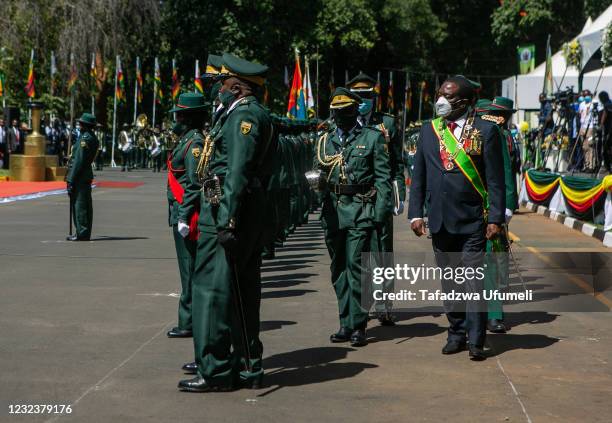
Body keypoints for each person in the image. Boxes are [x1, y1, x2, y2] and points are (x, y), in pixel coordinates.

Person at [179, 52, 275, 392]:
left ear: (237, 86)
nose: (217, 87)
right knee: (240, 291)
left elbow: (235, 172)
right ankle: (247, 365)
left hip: (225, 210)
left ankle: (216, 368)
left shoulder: (243, 118)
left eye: (221, 82)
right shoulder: (238, 114)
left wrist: (227, 220)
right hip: (234, 209)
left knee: (211, 290)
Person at [408, 76, 505, 361]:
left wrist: (496, 218)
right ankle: (456, 333)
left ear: (465, 101)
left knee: (473, 281)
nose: (442, 101)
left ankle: (476, 339)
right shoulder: (429, 130)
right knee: (450, 281)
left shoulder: (486, 130)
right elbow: (419, 175)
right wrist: (416, 213)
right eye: (440, 94)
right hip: (439, 219)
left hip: (473, 219)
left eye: (448, 97)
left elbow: (496, 180)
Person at [316, 87, 392, 347]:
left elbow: (383, 179)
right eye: (337, 112)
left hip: (360, 210)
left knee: (357, 267)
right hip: (333, 212)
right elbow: (319, 171)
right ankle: (345, 322)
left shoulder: (372, 138)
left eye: (346, 112)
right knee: (338, 268)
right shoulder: (325, 141)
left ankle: (359, 324)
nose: (340, 117)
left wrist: (380, 214)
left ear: (354, 111)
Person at [348, 72, 406, 326]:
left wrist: (398, 193)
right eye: (358, 97)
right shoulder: (345, 122)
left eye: (367, 97)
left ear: (374, 98)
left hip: (380, 192)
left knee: (383, 249)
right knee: (360, 251)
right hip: (355, 197)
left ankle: (384, 303)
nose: (363, 101)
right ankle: (363, 302)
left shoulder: (388, 124)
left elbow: (397, 161)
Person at [165, 92, 208, 340]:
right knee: (187, 270)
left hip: (187, 216)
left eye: (179, 115)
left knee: (189, 270)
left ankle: (189, 321)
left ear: (189, 118)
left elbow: (193, 185)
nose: (176, 119)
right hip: (180, 213)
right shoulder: (186, 140)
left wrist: (183, 215)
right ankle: (189, 319)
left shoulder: (194, 145)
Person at [479, 97, 519, 334]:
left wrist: (506, 207)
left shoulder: (499, 135)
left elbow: (506, 172)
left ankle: (494, 314)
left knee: (492, 262)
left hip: (490, 206)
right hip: (466, 208)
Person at [66, 113, 99, 241]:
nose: (79, 125)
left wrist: (71, 179)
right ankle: (81, 231)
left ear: (86, 125)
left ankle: (82, 232)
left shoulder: (86, 139)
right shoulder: (89, 137)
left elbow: (79, 161)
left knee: (80, 205)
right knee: (82, 204)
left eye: (81, 123)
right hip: (83, 174)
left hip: (80, 175)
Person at [579, 90, 597, 172]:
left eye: (587, 95)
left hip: (590, 127)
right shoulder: (581, 104)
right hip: (583, 126)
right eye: (584, 95)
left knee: (590, 146)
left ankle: (591, 165)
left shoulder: (593, 103)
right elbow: (580, 114)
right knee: (584, 147)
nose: (586, 97)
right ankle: (586, 165)